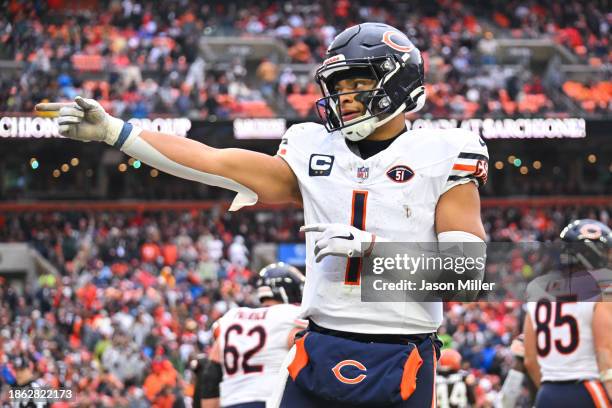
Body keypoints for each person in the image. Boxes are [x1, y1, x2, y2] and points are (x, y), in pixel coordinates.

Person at [36, 22, 488, 407]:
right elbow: (214, 161)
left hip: (400, 355)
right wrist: (118, 132)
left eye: (357, 82)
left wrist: (373, 251)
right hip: (318, 347)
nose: (344, 97)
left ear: (397, 80)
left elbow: (467, 276)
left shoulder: (443, 151)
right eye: (338, 87)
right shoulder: (314, 146)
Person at [523, 219, 612, 407]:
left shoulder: (538, 288)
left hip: (547, 394)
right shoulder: (603, 287)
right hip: (588, 389)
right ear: (592, 253)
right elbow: (606, 352)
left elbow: (530, 359)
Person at [198, 263, 306, 408]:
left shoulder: (232, 316)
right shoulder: (289, 315)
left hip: (232, 403)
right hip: (270, 401)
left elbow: (210, 375)